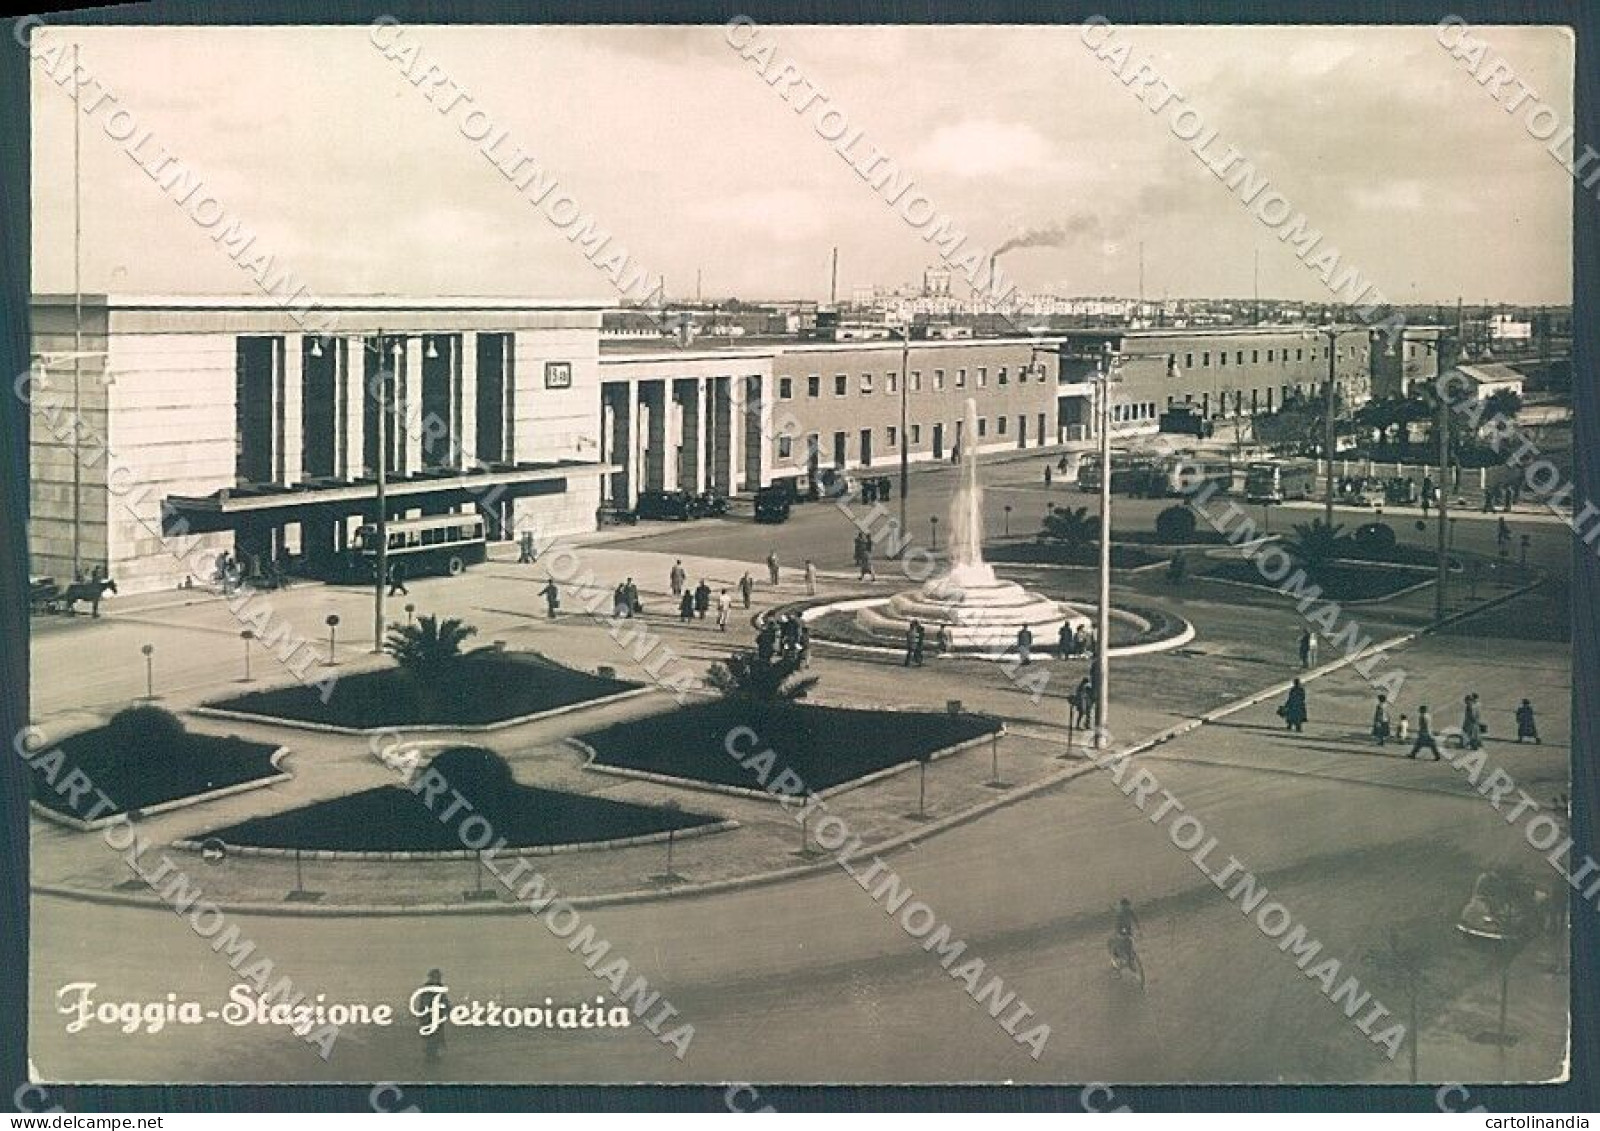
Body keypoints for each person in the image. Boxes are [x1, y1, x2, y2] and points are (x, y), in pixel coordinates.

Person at [420, 968, 449, 1063]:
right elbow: (424, 1003)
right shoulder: (428, 988)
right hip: (431, 1016)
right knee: (432, 1036)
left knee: (436, 1036)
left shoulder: (433, 988)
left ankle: (432, 1054)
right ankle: (431, 1055)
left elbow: (444, 1001)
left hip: (436, 1016)